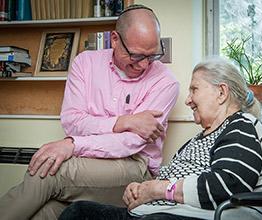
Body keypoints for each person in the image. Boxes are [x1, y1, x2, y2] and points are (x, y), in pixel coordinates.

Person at [0, 4, 179, 220]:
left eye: (151, 56)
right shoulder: (85, 63)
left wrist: (73, 145)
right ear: (115, 39)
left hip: (135, 167)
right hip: (89, 164)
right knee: (46, 211)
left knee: (49, 172)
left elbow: (129, 142)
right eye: (136, 55)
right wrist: (123, 121)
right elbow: (72, 121)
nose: (143, 65)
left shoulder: (165, 82)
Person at [59, 57, 262, 220]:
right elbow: (171, 178)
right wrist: (140, 188)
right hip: (161, 213)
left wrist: (156, 190)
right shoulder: (200, 138)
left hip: (198, 217)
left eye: (194, 90)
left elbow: (227, 185)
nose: (188, 100)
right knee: (77, 212)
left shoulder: (241, 126)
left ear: (221, 93)